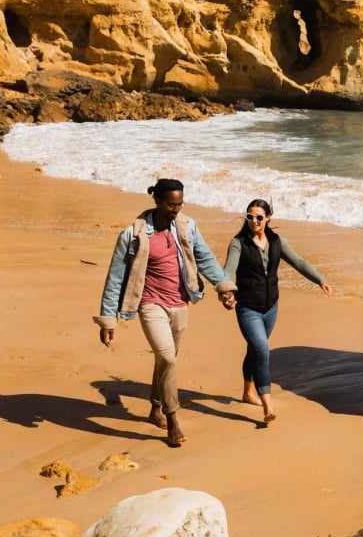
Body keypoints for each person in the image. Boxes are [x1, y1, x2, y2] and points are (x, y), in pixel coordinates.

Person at [95, 178, 235, 447]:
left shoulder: (187, 227)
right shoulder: (133, 235)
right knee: (168, 356)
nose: (177, 209)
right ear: (157, 201)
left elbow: (205, 258)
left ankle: (155, 406)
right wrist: (108, 319)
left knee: (165, 360)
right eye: (172, 205)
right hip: (150, 303)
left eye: (180, 204)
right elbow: (115, 277)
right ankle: (172, 419)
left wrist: (224, 287)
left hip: (180, 303)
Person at [222, 198, 332, 425]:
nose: (254, 221)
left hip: (271, 307)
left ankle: (247, 392)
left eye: (259, 217)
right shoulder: (238, 243)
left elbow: (299, 262)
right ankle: (267, 407)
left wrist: (320, 280)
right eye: (250, 216)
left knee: (255, 349)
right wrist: (228, 292)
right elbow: (229, 272)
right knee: (262, 350)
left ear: (268, 218)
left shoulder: (276, 241)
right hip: (248, 308)